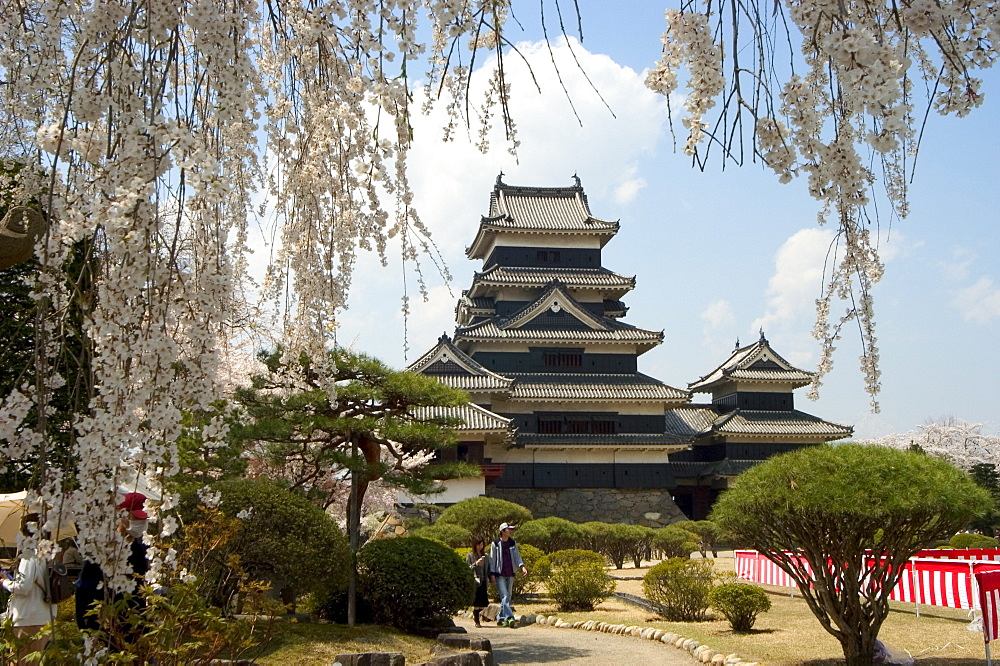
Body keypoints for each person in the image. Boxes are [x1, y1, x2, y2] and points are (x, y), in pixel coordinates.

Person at [2, 513, 58, 664]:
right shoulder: (48, 553)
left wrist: (4, 582)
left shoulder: (30, 554)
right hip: (44, 615)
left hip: (28, 618)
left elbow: (24, 586)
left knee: (21, 661)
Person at [488, 522, 527, 628]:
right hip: (499, 574)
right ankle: (510, 617)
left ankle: (500, 618)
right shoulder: (495, 543)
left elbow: (517, 556)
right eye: (508, 529)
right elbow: (492, 559)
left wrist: (522, 566)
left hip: (510, 573)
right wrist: (492, 574)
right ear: (503, 531)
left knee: (508, 596)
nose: (510, 531)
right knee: (504, 595)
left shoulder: (512, 543)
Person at [465, 537, 490, 628]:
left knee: (483, 604)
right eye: (479, 544)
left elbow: (488, 569)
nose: (480, 546)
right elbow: (467, 568)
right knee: (476, 603)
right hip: (475, 581)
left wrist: (491, 578)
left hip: (483, 581)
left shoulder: (486, 556)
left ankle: (478, 616)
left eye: (482, 544)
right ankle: (477, 620)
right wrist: (476, 563)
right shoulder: (470, 555)